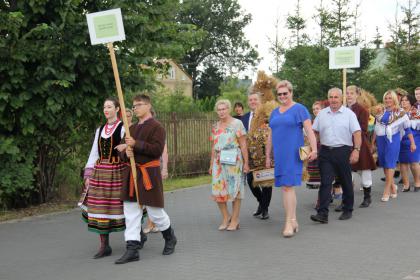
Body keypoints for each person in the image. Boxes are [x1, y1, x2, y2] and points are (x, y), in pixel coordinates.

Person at [114, 94, 177, 264]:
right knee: (131, 213)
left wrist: (135, 144)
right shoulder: (131, 128)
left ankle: (170, 237)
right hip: (131, 176)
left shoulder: (157, 127)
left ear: (148, 106)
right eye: (134, 106)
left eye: (139, 105)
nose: (135, 108)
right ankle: (132, 248)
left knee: (155, 212)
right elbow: (121, 151)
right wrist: (125, 153)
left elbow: (156, 150)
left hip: (148, 174)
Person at [266, 80, 317, 237]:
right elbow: (270, 135)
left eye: (285, 93)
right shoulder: (274, 112)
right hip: (279, 155)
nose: (282, 96)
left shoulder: (299, 109)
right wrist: (268, 155)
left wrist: (314, 149)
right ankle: (293, 220)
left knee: (288, 186)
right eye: (279, 94)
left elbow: (309, 131)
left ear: (291, 93)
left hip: (293, 153)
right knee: (286, 188)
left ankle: (288, 222)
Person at [80, 97, 126, 259]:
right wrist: (88, 174)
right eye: (104, 107)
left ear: (117, 109)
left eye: (109, 106)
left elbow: (128, 150)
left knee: (123, 206)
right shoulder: (100, 130)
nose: (106, 110)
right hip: (100, 173)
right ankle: (104, 245)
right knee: (99, 208)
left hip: (117, 173)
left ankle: (136, 235)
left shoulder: (123, 128)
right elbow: (94, 152)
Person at [310, 88, 361, 223]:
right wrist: (311, 148)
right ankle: (322, 213)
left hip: (343, 151)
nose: (333, 100)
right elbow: (314, 132)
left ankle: (348, 209)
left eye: (336, 97)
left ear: (341, 98)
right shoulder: (322, 114)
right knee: (326, 183)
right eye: (331, 97)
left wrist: (356, 150)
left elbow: (357, 133)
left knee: (345, 181)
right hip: (325, 152)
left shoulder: (349, 114)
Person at [209, 99, 249, 231]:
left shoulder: (237, 124)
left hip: (234, 161)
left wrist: (246, 163)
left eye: (224, 109)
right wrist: (211, 164)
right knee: (218, 191)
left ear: (229, 109)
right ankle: (226, 217)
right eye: (219, 110)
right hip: (218, 162)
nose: (221, 112)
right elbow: (213, 146)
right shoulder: (215, 127)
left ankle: (235, 220)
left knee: (235, 190)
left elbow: (243, 144)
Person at [243, 72, 277, 220]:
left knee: (267, 182)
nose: (252, 102)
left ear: (260, 100)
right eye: (250, 100)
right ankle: (261, 203)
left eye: (255, 99)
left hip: (266, 154)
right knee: (251, 181)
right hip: (250, 156)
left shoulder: (268, 116)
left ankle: (265, 209)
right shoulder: (244, 118)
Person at [372, 90, 415, 202]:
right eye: (386, 98)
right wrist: (372, 143)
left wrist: (412, 143)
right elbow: (376, 129)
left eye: (390, 98)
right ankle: (393, 188)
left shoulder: (400, 112)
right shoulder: (380, 111)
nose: (387, 100)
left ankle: (387, 190)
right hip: (381, 139)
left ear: (395, 99)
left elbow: (407, 128)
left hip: (393, 139)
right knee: (384, 164)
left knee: (390, 163)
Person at [345, 86, 377, 208]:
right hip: (345, 144)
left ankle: (367, 197)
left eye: (351, 93)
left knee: (365, 172)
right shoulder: (342, 109)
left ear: (357, 95)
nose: (349, 95)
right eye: (347, 93)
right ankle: (346, 200)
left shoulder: (363, 110)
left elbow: (363, 130)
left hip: (360, 145)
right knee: (347, 173)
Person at [399, 94, 420, 192]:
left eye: (406, 100)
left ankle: (417, 183)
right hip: (401, 140)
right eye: (402, 100)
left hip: (415, 139)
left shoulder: (416, 113)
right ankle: (406, 185)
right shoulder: (398, 113)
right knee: (402, 163)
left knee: (414, 162)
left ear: (411, 102)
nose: (403, 102)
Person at [306, 101, 324, 189]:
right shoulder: (312, 121)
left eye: (317, 108)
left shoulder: (325, 120)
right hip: (315, 148)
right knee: (319, 175)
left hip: (324, 148)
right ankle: (324, 196)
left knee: (325, 172)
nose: (315, 110)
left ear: (322, 109)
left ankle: (327, 195)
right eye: (313, 109)